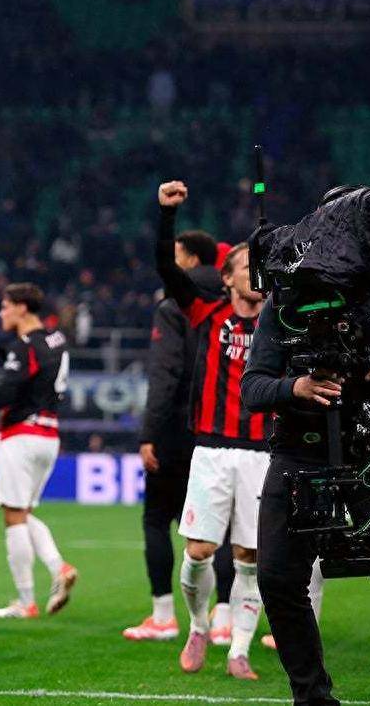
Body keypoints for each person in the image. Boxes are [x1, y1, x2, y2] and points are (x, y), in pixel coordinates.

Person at [241, 186, 370, 705]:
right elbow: (253, 388)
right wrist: (296, 388)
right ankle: (313, 698)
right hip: (298, 452)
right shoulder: (289, 296)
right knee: (278, 581)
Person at [155, 181, 269, 680]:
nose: (257, 274)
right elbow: (167, 269)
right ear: (226, 278)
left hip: (263, 453)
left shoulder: (281, 322)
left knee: (249, 556)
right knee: (199, 551)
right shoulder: (206, 312)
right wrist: (167, 216)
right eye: (247, 267)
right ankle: (199, 626)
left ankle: (239, 650)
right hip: (212, 449)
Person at [126, 229, 238, 643]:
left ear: (189, 259)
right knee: (225, 527)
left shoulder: (176, 304)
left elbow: (166, 374)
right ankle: (225, 618)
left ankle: (163, 616)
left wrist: (149, 434)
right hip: (224, 428)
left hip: (177, 429)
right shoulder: (233, 303)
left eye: (176, 255)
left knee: (157, 518)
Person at [0, 283, 76, 621]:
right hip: (48, 436)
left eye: (5, 306)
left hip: (20, 435)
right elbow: (31, 360)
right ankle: (58, 571)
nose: (1, 313)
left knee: (14, 516)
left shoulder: (25, 346)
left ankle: (29, 597)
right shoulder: (57, 340)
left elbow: (7, 389)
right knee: (24, 513)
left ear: (22, 308)